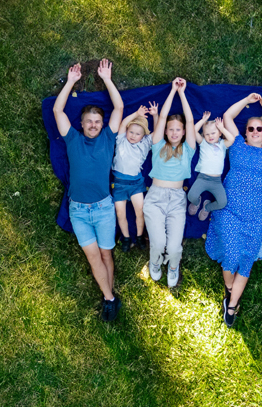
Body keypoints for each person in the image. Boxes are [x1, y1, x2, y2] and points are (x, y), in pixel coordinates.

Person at [205, 93, 262, 327]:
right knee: (232, 256)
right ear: (245, 133)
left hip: (255, 217)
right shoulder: (236, 143)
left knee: (246, 261)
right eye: (251, 129)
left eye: (259, 129)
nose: (254, 132)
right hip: (230, 211)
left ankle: (231, 306)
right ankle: (230, 288)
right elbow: (228, 116)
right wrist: (246, 100)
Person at [53, 59, 124, 322]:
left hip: (104, 208)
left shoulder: (108, 137)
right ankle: (110, 298)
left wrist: (107, 79)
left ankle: (109, 296)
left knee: (106, 253)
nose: (93, 125)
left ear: (102, 124)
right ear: (81, 124)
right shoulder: (72, 138)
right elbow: (58, 111)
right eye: (89, 121)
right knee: (94, 257)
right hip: (79, 211)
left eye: (97, 121)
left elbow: (119, 107)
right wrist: (71, 81)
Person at [143, 77, 196, 288]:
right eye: (170, 129)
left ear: (183, 132)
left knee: (174, 248)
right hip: (155, 196)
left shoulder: (188, 150)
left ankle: (173, 266)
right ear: (165, 130)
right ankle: (155, 263)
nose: (174, 132)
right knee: (158, 243)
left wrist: (183, 94)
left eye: (178, 130)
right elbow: (162, 116)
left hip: (176, 200)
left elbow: (191, 121)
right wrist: (173, 91)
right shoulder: (157, 145)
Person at [112, 102, 159, 252]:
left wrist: (156, 116)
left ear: (143, 135)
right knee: (120, 213)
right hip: (119, 183)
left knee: (140, 211)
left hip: (135, 184)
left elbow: (158, 132)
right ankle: (125, 237)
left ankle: (139, 236)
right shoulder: (121, 140)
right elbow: (124, 123)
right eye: (131, 132)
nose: (133, 136)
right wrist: (136, 114)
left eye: (137, 134)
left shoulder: (145, 144)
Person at [187, 113, 235, 221]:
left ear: (219, 133)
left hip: (216, 181)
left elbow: (231, 139)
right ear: (203, 135)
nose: (210, 136)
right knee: (191, 196)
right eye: (207, 134)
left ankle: (207, 207)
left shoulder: (222, 144)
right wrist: (203, 120)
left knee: (222, 203)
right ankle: (197, 202)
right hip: (202, 178)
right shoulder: (203, 143)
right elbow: (193, 131)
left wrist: (222, 128)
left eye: (213, 133)